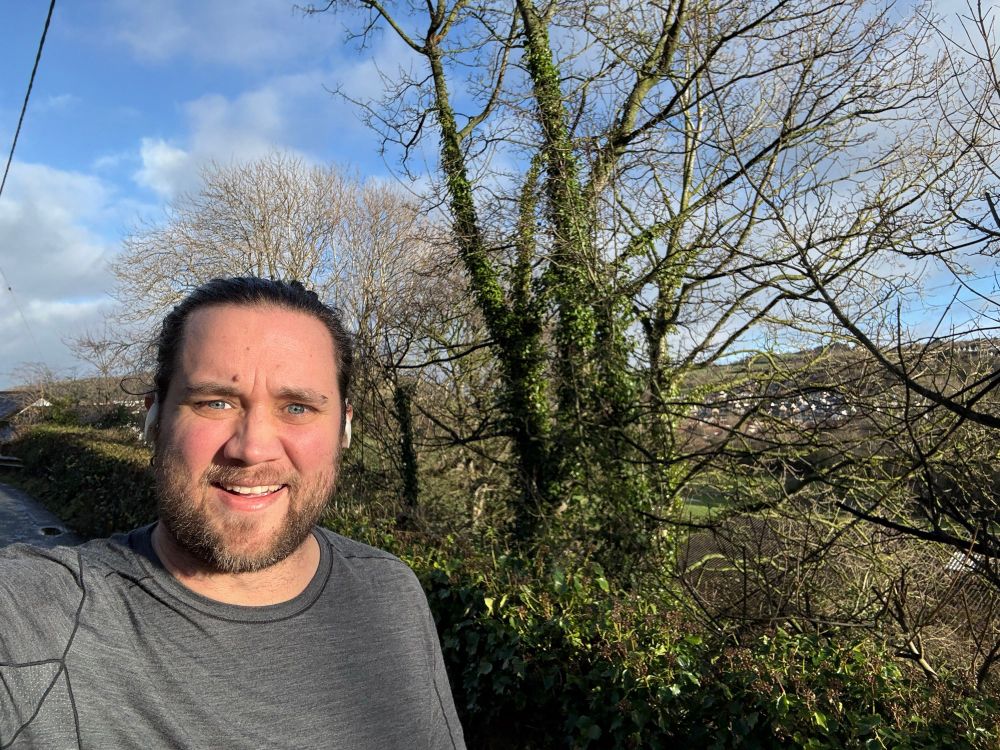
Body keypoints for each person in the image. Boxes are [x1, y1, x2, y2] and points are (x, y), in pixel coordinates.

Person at [0, 277, 466, 749]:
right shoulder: (37, 617)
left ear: (343, 428)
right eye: (215, 403)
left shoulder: (391, 593)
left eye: (298, 407)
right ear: (155, 420)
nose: (252, 448)